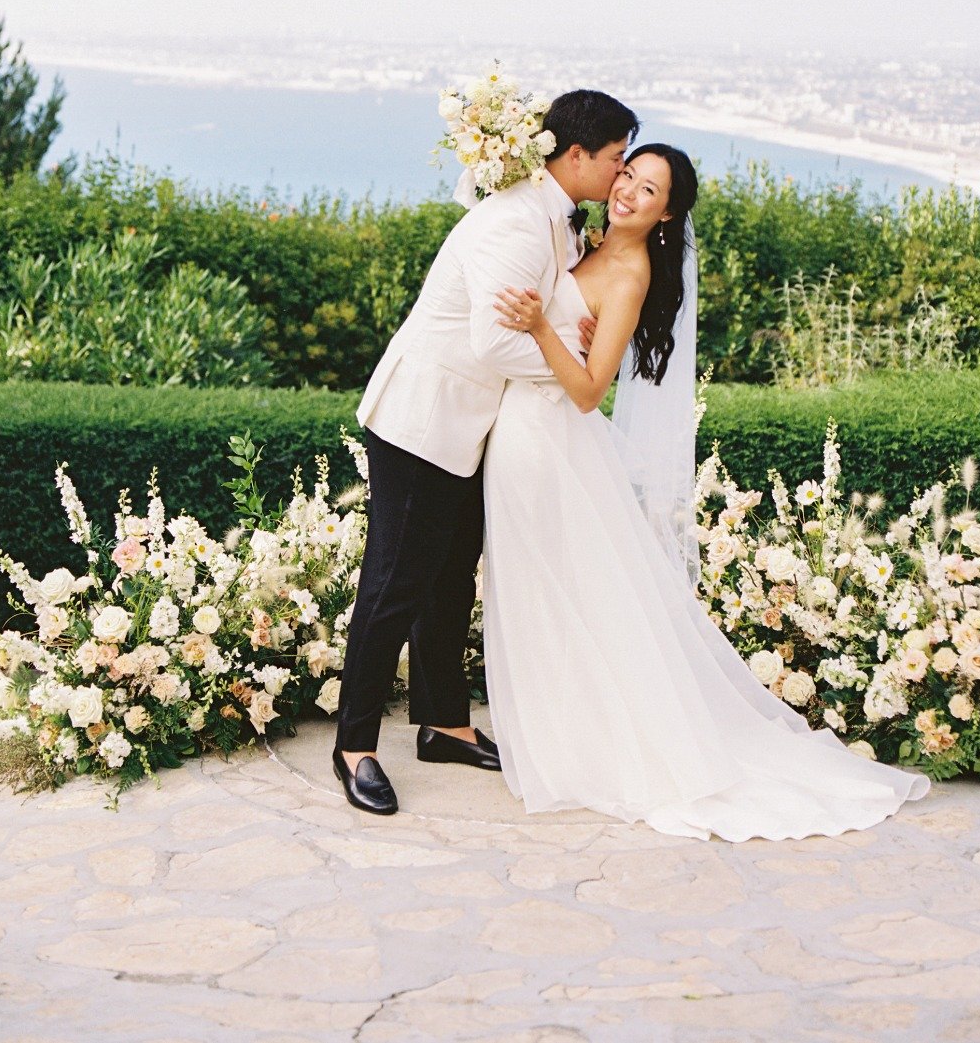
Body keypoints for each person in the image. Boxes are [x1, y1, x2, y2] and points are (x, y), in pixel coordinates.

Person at [483, 143, 929, 841]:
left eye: (649, 188)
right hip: (531, 441)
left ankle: (587, 741)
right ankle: (567, 724)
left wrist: (542, 325)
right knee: (556, 589)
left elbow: (589, 392)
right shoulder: (585, 241)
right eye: (628, 173)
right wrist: (563, 328)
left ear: (666, 215)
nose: (628, 188)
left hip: (551, 440)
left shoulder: (630, 271)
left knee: (566, 589)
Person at [332, 88, 639, 814]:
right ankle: (354, 747)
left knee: (449, 579)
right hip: (421, 419)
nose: (621, 174)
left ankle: (443, 724)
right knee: (393, 583)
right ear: (575, 156)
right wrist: (572, 362)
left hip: (470, 427)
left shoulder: (557, 218)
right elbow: (493, 339)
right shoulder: (518, 224)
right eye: (616, 159)